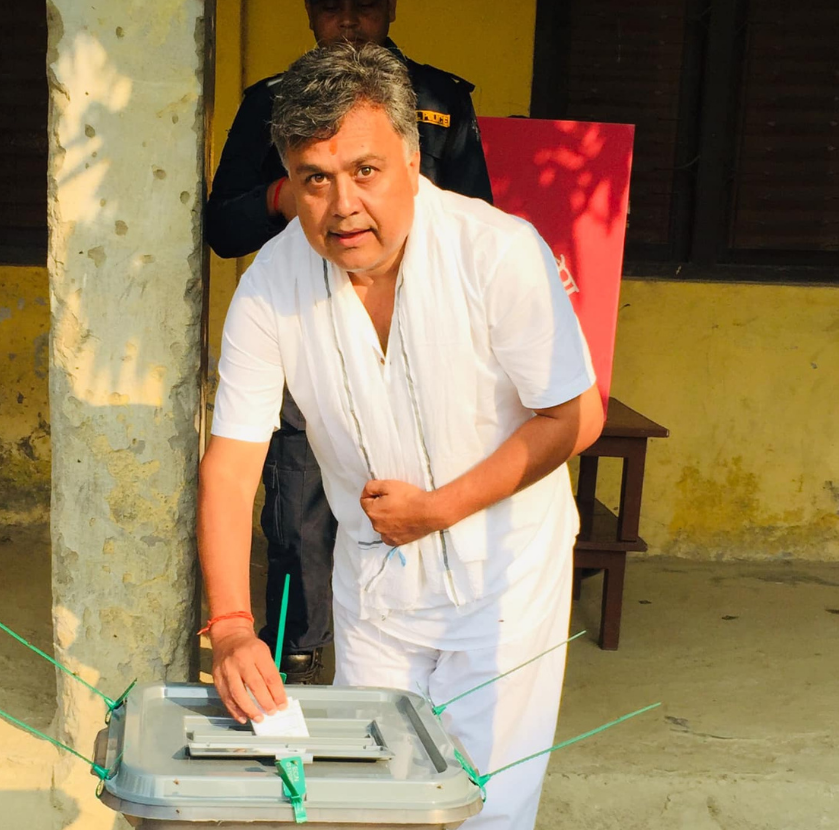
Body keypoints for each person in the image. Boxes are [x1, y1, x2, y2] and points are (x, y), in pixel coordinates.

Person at [198, 44, 604, 829]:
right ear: (288, 180)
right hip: (377, 582)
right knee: (372, 796)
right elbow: (232, 462)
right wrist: (232, 627)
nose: (342, 205)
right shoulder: (269, 287)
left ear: (413, 159)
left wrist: (442, 507)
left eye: (365, 171)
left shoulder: (496, 253)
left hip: (504, 577)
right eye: (314, 179)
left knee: (483, 803)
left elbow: (573, 417)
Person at [205, 0, 492, 684]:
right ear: (309, 14)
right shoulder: (271, 104)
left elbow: (479, 212)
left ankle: (429, 652)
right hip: (307, 321)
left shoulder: (437, 100)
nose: (349, 21)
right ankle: (292, 652)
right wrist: (291, 194)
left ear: (389, 10)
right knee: (297, 506)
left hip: (421, 334)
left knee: (417, 494)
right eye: (332, 6)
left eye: (364, 5)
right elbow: (223, 227)